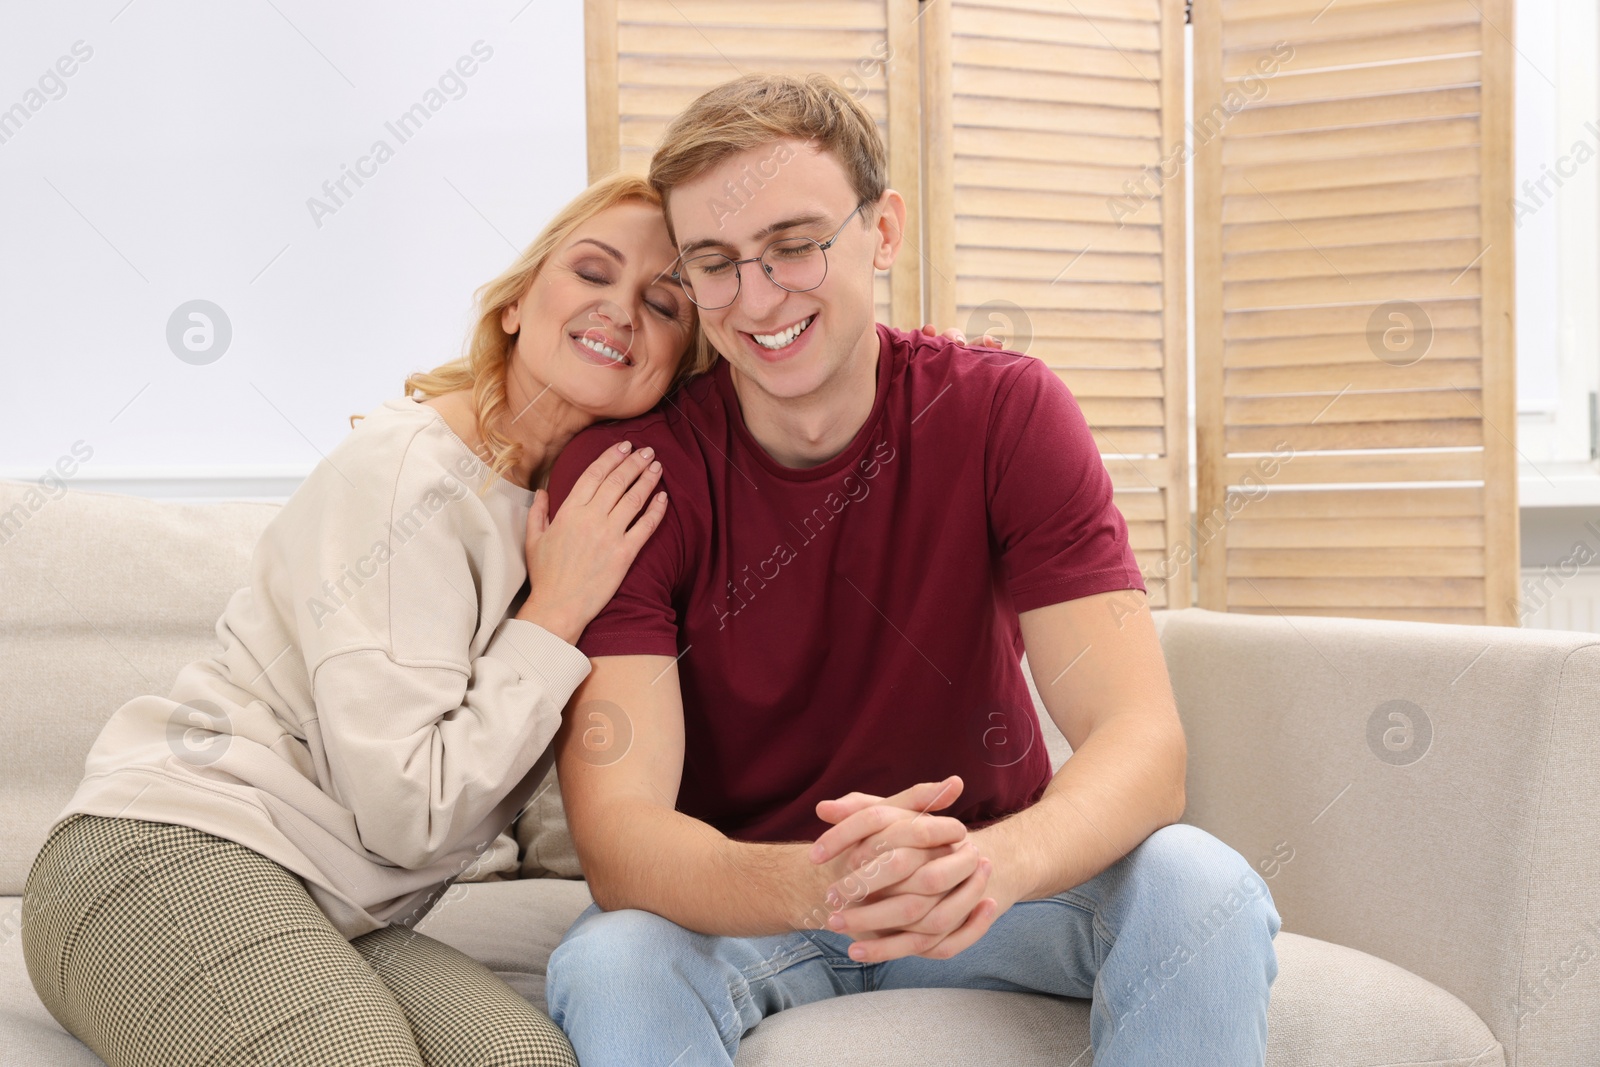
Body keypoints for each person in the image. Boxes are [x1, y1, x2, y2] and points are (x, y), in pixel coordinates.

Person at [540, 74, 1283, 1066]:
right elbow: (621, 835)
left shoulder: (1004, 414)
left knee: (1206, 883)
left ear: (881, 231)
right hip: (754, 903)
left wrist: (987, 862)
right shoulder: (634, 472)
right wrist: (826, 883)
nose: (758, 298)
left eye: (795, 246)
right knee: (614, 958)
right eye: (714, 265)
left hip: (986, 882)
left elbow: (1143, 743)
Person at [20, 173, 703, 1067]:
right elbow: (407, 812)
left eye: (663, 302)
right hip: (164, 852)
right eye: (592, 272)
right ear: (516, 303)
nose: (621, 310)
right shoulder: (409, 475)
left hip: (336, 906)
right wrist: (557, 608)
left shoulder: (580, 515)